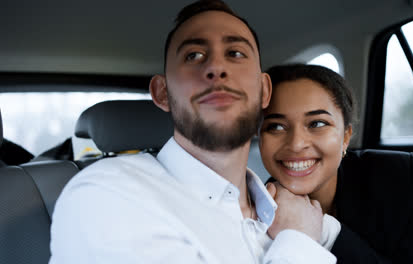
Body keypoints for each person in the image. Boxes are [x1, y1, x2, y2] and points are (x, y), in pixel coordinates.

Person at [49, 1, 337, 263]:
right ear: (162, 93)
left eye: (235, 53)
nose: (216, 67)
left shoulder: (291, 211)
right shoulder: (107, 194)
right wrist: (300, 244)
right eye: (194, 55)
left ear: (264, 91)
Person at [259, 63, 413, 263]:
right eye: (276, 126)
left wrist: (328, 232)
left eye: (317, 123)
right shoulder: (251, 211)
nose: (296, 144)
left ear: (346, 137)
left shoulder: (398, 175)